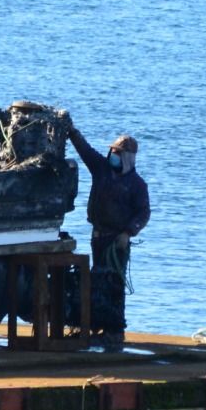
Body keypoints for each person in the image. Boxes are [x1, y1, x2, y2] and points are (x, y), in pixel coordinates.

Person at [66, 127, 150, 351]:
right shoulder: (101, 170)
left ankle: (115, 332)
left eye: (117, 153)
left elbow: (143, 213)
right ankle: (98, 326)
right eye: (112, 151)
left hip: (117, 242)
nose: (113, 155)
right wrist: (72, 133)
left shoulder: (137, 185)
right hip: (98, 236)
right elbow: (86, 151)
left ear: (127, 158)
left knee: (114, 284)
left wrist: (128, 233)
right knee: (98, 281)